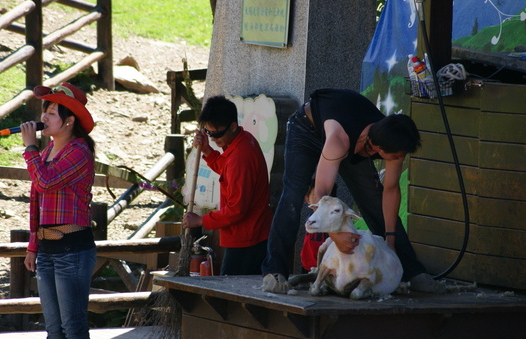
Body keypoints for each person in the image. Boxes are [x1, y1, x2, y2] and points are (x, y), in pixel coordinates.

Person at [261, 88, 446, 294]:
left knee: (374, 200)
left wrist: (391, 242)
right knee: (292, 198)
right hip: (308, 128)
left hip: (355, 140)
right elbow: (322, 192)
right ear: (378, 147)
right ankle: (274, 272)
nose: (399, 157)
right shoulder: (340, 141)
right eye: (396, 155)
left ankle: (412, 273)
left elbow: (391, 190)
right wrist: (335, 235)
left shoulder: (392, 138)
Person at [22, 82, 97, 339]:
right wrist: (32, 245)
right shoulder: (50, 149)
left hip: (73, 249)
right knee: (53, 327)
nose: (46, 117)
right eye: (46, 111)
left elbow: (46, 182)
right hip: (48, 249)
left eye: (53, 112)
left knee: (73, 324)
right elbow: (37, 199)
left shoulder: (78, 152)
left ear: (69, 121)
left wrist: (29, 147)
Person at [183, 95, 273, 275]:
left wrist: (201, 220)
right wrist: (207, 150)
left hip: (247, 240)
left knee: (232, 294)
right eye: (209, 133)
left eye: (217, 134)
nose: (214, 139)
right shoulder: (242, 139)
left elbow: (237, 209)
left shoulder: (241, 157)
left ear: (233, 126)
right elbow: (227, 168)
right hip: (250, 234)